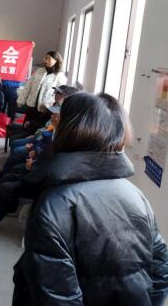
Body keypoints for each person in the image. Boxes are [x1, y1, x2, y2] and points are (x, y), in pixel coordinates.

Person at [13, 93, 168, 305]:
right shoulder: (136, 196)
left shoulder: (55, 204)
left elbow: (58, 298)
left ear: (69, 130)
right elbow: (161, 271)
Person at [15, 51, 66, 139]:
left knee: (35, 132)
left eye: (48, 58)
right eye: (45, 58)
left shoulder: (60, 76)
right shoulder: (39, 71)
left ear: (56, 60)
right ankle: (19, 144)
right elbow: (28, 85)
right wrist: (21, 100)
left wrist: (48, 104)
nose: (45, 60)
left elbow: (58, 95)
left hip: (44, 109)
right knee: (25, 128)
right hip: (32, 106)